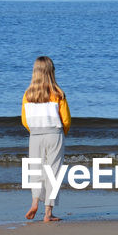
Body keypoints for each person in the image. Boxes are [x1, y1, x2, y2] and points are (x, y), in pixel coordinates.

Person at [21, 55, 71, 222]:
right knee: (53, 172)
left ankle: (35, 201)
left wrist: (33, 130)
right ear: (51, 72)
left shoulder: (28, 95)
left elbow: (24, 120)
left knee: (36, 170)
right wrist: (64, 132)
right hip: (54, 134)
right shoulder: (58, 93)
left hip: (35, 135)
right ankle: (48, 213)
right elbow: (66, 120)